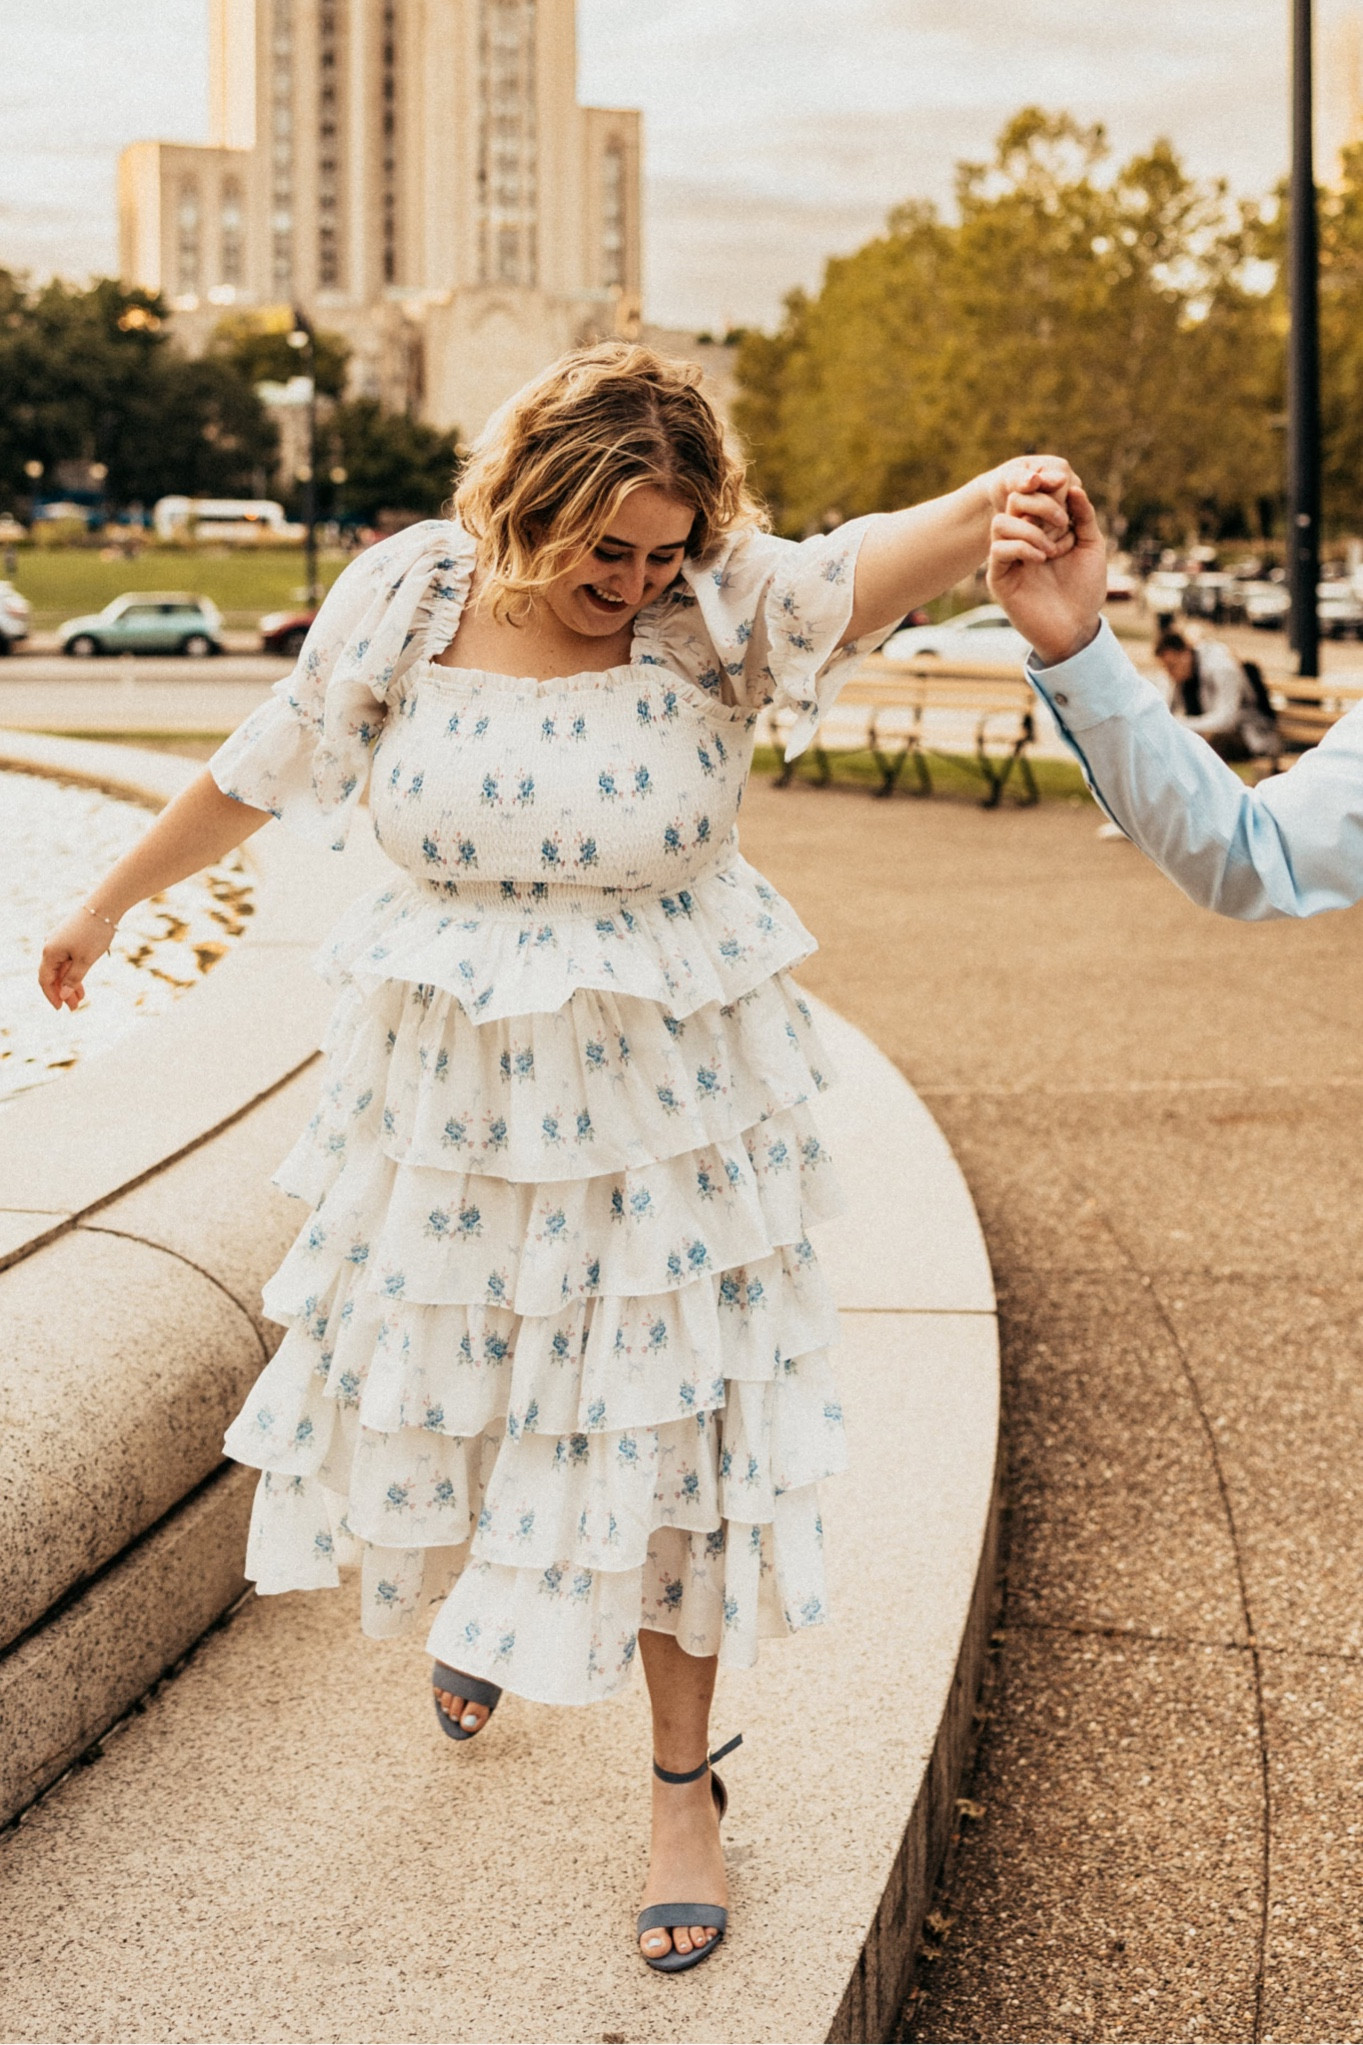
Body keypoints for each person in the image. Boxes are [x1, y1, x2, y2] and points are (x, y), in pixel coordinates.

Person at [40, 342, 1076, 1973]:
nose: (637, 580)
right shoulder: (405, 595)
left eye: (664, 549)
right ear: (527, 505)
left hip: (664, 1111)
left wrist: (991, 497)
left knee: (665, 1433)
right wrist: (109, 904)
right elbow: (270, 755)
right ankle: (502, 1598)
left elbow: (859, 559)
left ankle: (680, 1794)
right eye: (608, 550)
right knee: (490, 1395)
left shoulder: (715, 607)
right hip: (450, 1101)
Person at [987, 477, 1363, 922]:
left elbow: (1227, 732)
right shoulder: (1186, 668)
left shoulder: (1219, 663)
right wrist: (1075, 646)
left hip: (1249, 737)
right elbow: (1262, 849)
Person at [1153, 627, 1279, 762]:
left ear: (1185, 654)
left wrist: (1182, 724)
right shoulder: (1184, 674)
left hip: (1250, 734)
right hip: (1216, 735)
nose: (1169, 673)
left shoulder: (1221, 667)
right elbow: (1167, 712)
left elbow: (1225, 721)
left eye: (1172, 666)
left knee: (1208, 744)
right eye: (1165, 668)